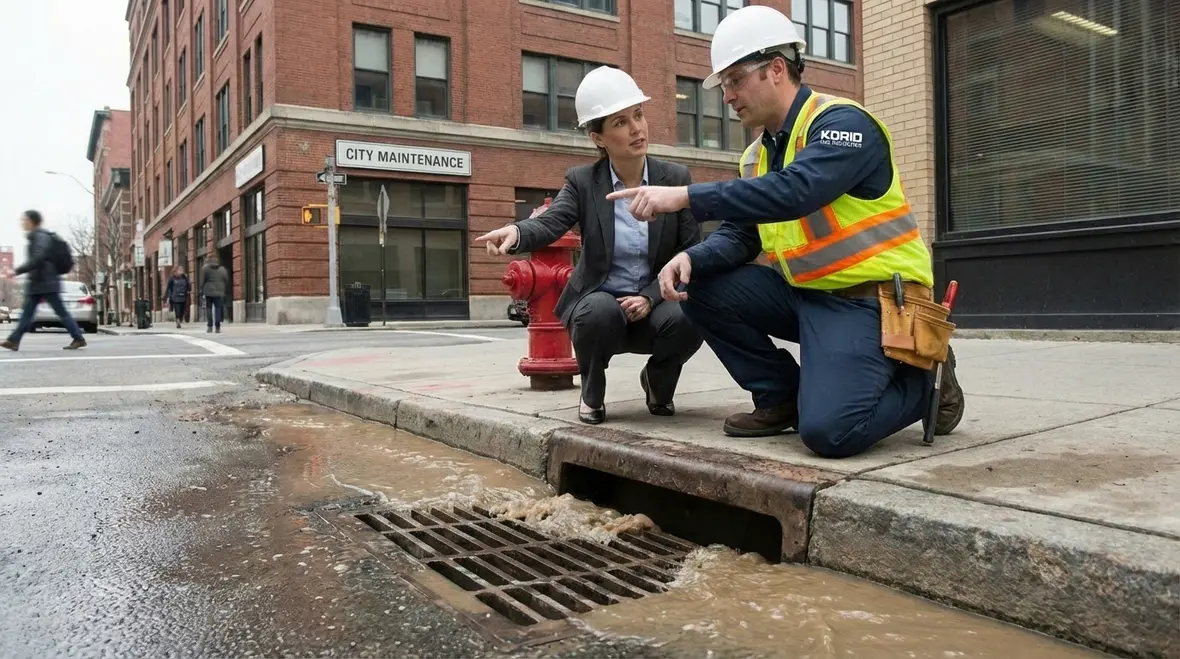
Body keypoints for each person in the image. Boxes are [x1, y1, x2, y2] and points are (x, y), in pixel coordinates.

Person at [604, 5, 965, 458]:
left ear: (776, 69)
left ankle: (925, 376)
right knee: (698, 285)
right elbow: (741, 235)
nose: (728, 96)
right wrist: (691, 258)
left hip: (869, 301)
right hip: (805, 295)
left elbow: (796, 192)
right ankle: (780, 397)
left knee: (831, 433)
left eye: (736, 80)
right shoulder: (755, 156)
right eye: (725, 85)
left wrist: (685, 196)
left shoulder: (843, 124)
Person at [477, 66, 704, 425]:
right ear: (598, 137)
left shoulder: (675, 179)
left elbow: (688, 249)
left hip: (655, 303)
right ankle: (592, 391)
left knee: (691, 312)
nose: (637, 129)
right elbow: (552, 221)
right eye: (620, 123)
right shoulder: (583, 181)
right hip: (601, 305)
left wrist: (649, 296)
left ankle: (659, 381)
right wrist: (517, 233)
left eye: (639, 116)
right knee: (598, 311)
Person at [1, 210, 86, 351]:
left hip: (46, 282)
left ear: (31, 221)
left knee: (59, 312)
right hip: (40, 282)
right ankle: (13, 340)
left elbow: (37, 259)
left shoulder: (40, 237)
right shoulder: (36, 236)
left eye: (24, 220)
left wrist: (16, 271)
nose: (22, 223)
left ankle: (78, 338)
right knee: (28, 314)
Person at [198, 256, 229, 334]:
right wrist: (224, 289)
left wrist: (201, 290)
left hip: (208, 291)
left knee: (209, 308)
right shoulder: (222, 269)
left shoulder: (205, 269)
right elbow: (226, 280)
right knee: (218, 308)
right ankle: (217, 327)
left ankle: (210, 327)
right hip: (219, 291)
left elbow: (202, 281)